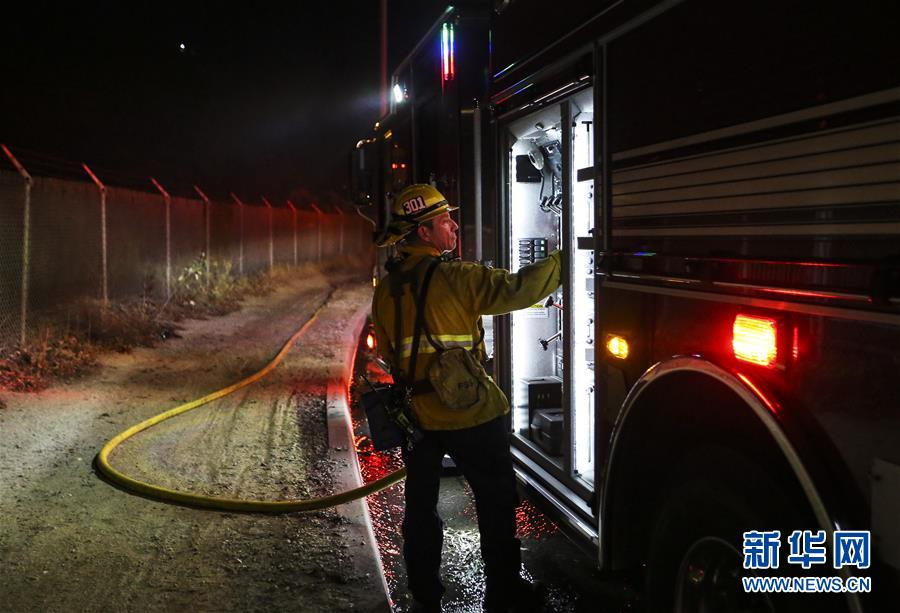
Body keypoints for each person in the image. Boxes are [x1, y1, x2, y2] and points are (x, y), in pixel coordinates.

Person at [370, 184, 562, 612]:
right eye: (444, 221)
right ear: (424, 233)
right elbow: (517, 289)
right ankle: (505, 594)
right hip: (471, 413)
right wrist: (566, 258)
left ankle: (425, 597)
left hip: (417, 416)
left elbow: (387, 351)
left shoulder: (386, 289)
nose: (454, 226)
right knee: (495, 501)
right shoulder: (456, 278)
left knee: (420, 508)